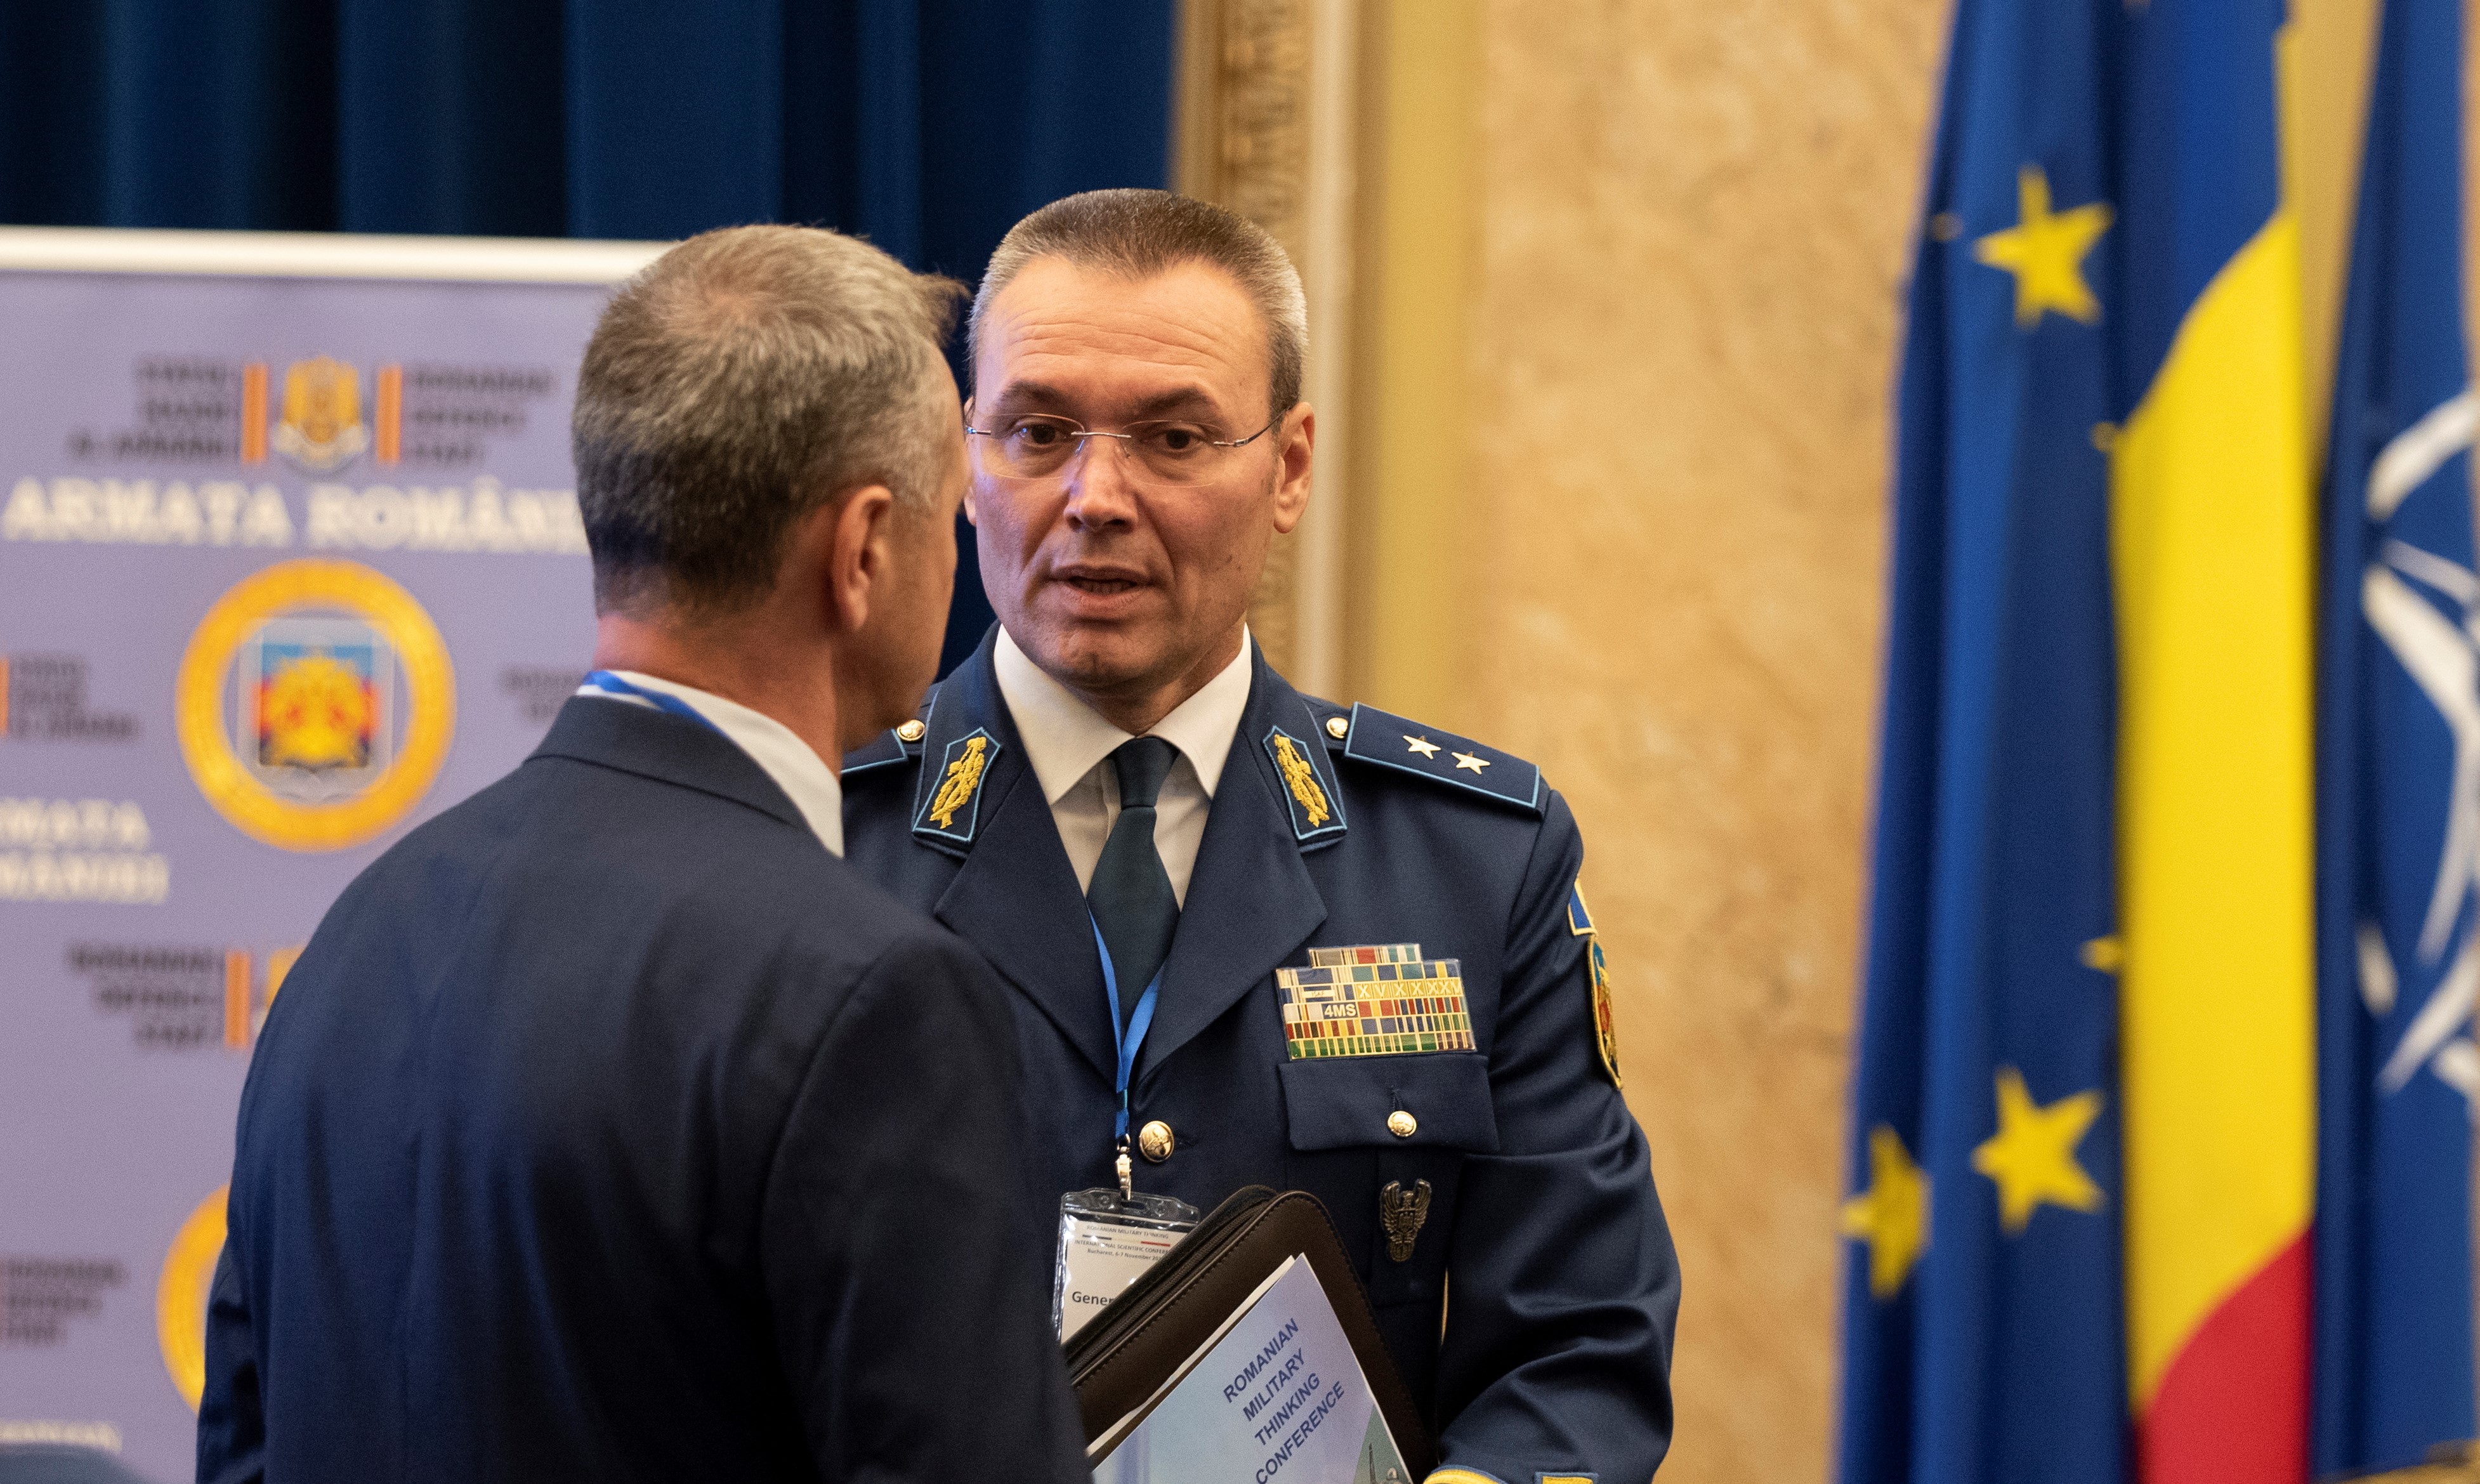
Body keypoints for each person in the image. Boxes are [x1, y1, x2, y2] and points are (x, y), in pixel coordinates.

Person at [196, 226, 1088, 1484]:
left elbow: (243, 1454)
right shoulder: (870, 1000)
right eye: (951, 516)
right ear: (862, 552)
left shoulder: (357, 935)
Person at [842, 189, 1681, 1483]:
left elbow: (1576, 1350)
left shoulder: (1471, 861)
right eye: (1038, 431)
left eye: (1172, 438)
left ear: (1288, 468)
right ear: (965, 461)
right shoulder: (816, 837)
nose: (1094, 496)